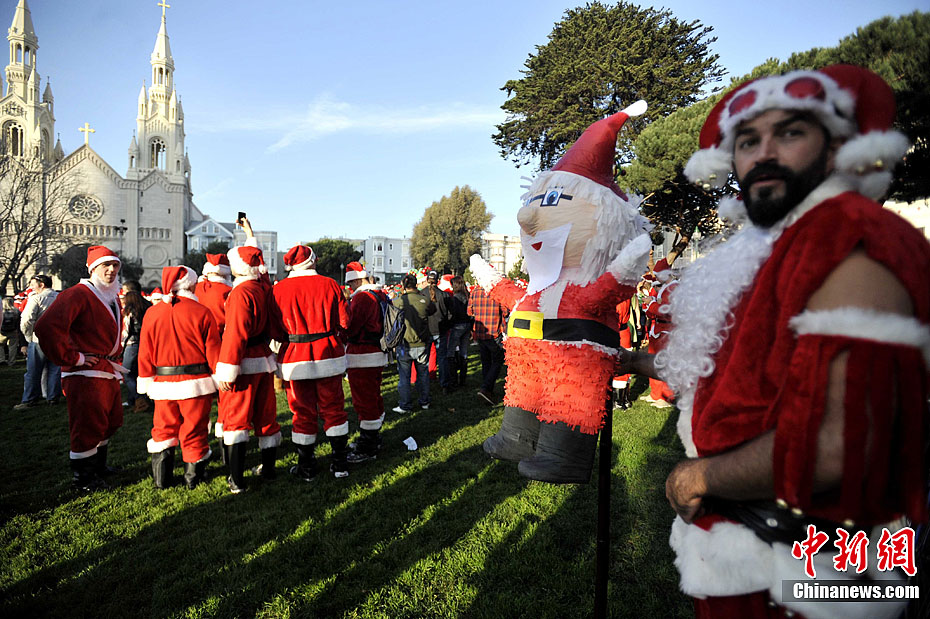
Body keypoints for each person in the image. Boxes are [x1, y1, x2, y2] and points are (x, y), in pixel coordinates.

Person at [620, 65, 930, 618]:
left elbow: (840, 444)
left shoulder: (852, 238)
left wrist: (699, 476)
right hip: (750, 551)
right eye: (747, 140)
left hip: (818, 566)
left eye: (790, 133)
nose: (763, 153)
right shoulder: (775, 245)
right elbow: (737, 375)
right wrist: (627, 359)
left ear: (838, 147)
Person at [470, 100, 652, 484]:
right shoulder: (541, 283)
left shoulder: (582, 285)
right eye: (534, 202)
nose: (526, 217)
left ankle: (563, 455)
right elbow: (514, 296)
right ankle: (517, 437)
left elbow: (606, 291)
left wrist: (627, 266)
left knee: (570, 396)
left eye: (550, 202)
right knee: (523, 390)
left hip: (575, 347)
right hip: (529, 350)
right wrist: (492, 281)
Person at [35, 246, 126, 492]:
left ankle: (98, 466)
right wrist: (73, 358)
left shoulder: (112, 296)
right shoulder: (78, 293)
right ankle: (83, 479)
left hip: (106, 369)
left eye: (115, 265)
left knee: (111, 421)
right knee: (87, 425)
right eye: (105, 265)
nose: (111, 270)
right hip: (85, 374)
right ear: (93, 268)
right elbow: (46, 327)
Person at [271, 244, 351, 481]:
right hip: (327, 352)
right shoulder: (329, 284)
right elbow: (345, 321)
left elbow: (275, 329)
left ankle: (306, 466)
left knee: (302, 412)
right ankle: (339, 464)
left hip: (295, 356)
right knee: (334, 409)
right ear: (313, 261)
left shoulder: (279, 289)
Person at [137, 266, 221, 489]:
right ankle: (192, 478)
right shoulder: (201, 311)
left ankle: (161, 480)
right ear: (191, 285)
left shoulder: (152, 313)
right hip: (196, 383)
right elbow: (213, 349)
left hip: (162, 383)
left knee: (163, 429)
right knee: (194, 428)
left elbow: (144, 351)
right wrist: (219, 377)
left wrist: (145, 379)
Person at [214, 218, 282, 494]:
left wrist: (227, 369)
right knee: (266, 416)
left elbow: (235, 334)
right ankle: (268, 470)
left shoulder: (241, 293)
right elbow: (259, 265)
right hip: (264, 359)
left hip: (243, 362)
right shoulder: (262, 286)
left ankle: (237, 479)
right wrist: (250, 236)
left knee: (236, 421)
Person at [343, 261, 389, 464]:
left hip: (362, 354)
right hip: (376, 352)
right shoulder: (379, 294)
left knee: (364, 400)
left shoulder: (361, 298)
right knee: (373, 397)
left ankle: (368, 446)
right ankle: (372, 438)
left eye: (351, 282)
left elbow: (350, 327)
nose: (350, 287)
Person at [194, 252, 233, 452]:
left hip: (193, 348)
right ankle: (224, 437)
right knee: (225, 396)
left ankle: (197, 442)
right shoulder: (228, 291)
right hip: (221, 346)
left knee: (198, 400)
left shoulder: (196, 288)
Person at [15, 274, 61, 409]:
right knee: (55, 369)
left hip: (38, 339)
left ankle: (29, 399)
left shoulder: (36, 298)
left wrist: (29, 336)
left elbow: (27, 320)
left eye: (33, 284)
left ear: (41, 285)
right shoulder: (60, 298)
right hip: (57, 339)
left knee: (34, 371)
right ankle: (53, 397)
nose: (31, 287)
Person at [392, 273, 435, 413]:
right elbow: (432, 311)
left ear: (404, 286)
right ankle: (425, 401)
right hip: (421, 342)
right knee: (423, 373)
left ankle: (405, 404)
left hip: (405, 343)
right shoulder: (424, 300)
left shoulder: (398, 301)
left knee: (404, 376)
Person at [640, 260, 676, 408]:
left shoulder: (673, 288)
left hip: (666, 330)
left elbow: (666, 311)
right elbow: (653, 311)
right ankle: (655, 393)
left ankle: (666, 396)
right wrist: (650, 304)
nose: (656, 278)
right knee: (654, 361)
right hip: (658, 330)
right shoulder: (665, 288)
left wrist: (651, 304)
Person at [467, 283, 506, 405]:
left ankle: (487, 389)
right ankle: (486, 388)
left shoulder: (475, 291)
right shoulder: (496, 291)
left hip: (481, 331)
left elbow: (469, 311)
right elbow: (505, 311)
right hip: (494, 331)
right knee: (498, 360)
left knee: (486, 361)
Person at [120, 280, 152, 413]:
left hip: (132, 344)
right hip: (145, 343)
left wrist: (121, 346)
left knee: (127, 373)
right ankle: (135, 399)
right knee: (140, 373)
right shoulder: (148, 305)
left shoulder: (130, 309)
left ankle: (140, 400)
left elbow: (126, 331)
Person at [423, 271, 453, 391]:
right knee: (442, 358)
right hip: (440, 329)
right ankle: (444, 383)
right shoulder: (444, 295)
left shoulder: (423, 293)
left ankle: (424, 383)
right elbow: (450, 314)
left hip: (428, 329)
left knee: (425, 359)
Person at [446, 275, 472, 387]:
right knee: (464, 352)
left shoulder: (455, 298)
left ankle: (453, 379)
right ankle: (462, 379)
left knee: (451, 352)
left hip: (457, 325)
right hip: (467, 325)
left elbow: (454, 314)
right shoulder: (467, 296)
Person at [0, 296, 22, 365]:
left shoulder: (1, 312)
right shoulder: (16, 311)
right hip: (13, 331)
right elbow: (19, 322)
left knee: (0, 346)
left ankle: (1, 359)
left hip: (2, 331)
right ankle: (11, 361)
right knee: (13, 347)